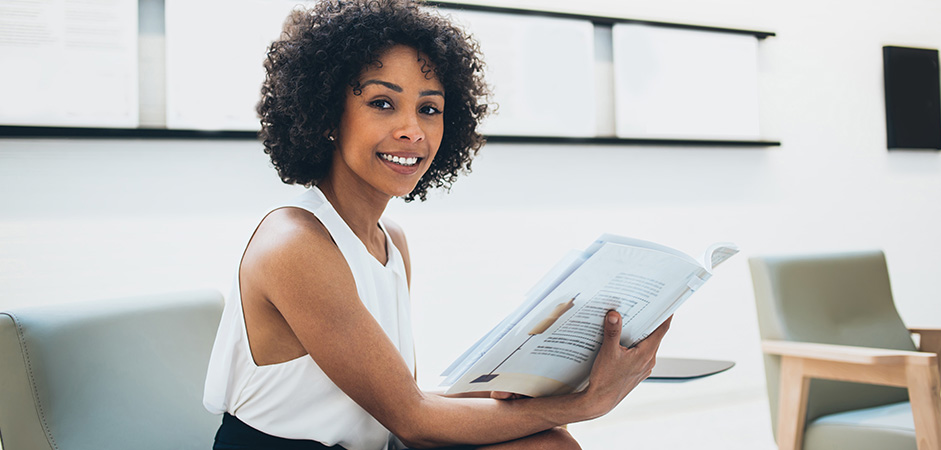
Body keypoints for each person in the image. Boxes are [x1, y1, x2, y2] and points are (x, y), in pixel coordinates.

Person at [203, 1, 672, 449]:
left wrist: (550, 384)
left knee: (548, 444)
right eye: (383, 103)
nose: (413, 129)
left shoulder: (391, 242)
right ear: (328, 115)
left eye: (429, 109)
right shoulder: (295, 243)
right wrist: (587, 403)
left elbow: (400, 403)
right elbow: (413, 420)